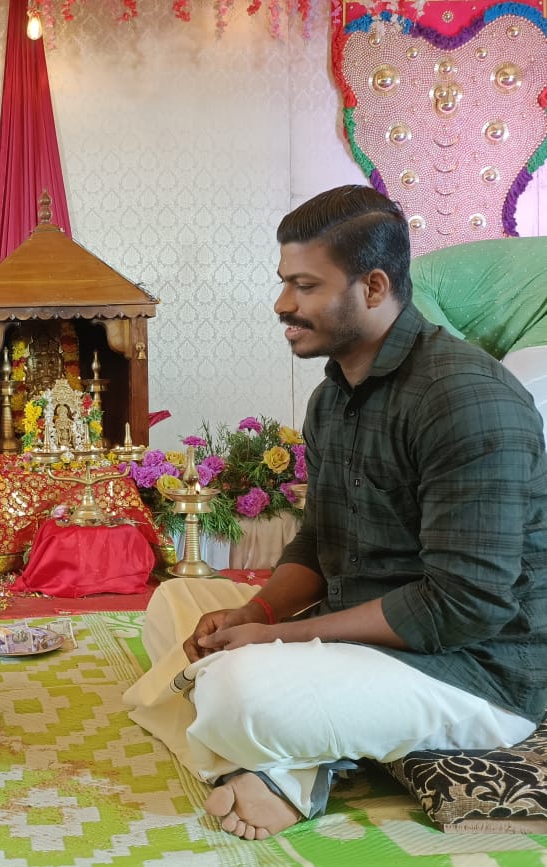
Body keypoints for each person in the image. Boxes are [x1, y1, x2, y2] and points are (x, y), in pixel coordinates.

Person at [123, 185, 547, 840]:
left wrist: (276, 639)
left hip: (471, 668)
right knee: (175, 606)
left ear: (373, 287)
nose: (283, 305)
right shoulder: (332, 398)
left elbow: (463, 606)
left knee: (239, 690)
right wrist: (254, 613)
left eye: (305, 285)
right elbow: (319, 542)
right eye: (284, 282)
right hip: (358, 634)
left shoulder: (465, 398)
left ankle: (291, 771)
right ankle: (286, 757)